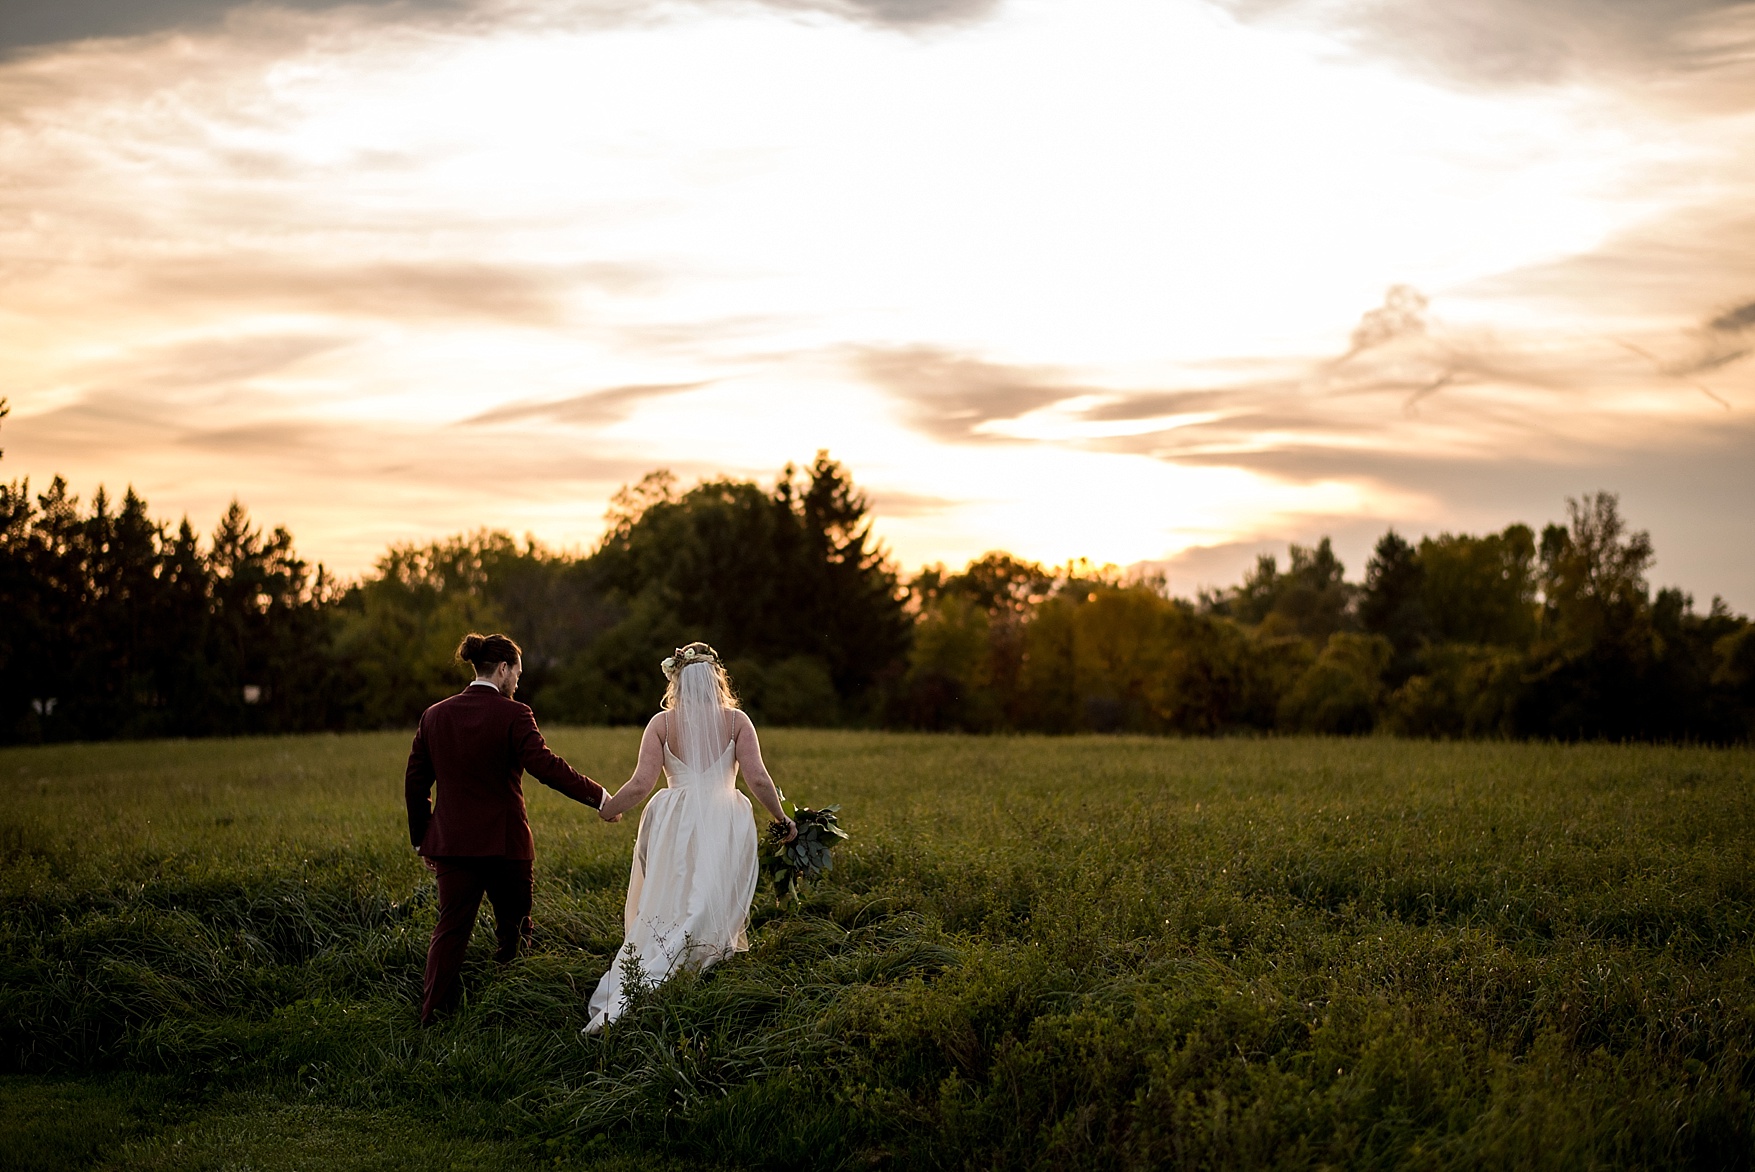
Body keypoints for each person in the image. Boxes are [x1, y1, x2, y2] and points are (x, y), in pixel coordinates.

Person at [405, 632, 616, 1026]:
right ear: (503, 669)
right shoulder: (514, 714)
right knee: (515, 934)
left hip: (451, 847)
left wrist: (424, 839)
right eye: (517, 673)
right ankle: (513, 1012)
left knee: (449, 933)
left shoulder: (434, 715)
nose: (517, 682)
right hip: (507, 848)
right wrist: (601, 798)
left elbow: (416, 780)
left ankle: (431, 1019)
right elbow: (546, 766)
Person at [584, 642, 796, 1033]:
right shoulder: (737, 722)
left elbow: (641, 783)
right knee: (709, 889)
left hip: (674, 819)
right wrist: (782, 818)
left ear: (677, 681)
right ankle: (702, 955)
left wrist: (609, 806)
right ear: (717, 679)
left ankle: (665, 958)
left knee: (676, 890)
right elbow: (758, 778)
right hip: (724, 816)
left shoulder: (661, 724)